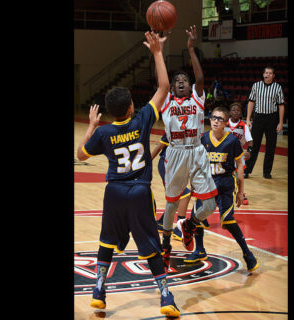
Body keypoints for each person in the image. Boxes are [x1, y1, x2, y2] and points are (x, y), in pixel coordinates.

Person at [76, 31, 180, 318]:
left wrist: (91, 128)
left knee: (106, 240)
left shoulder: (105, 132)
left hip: (114, 193)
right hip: (138, 192)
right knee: (150, 245)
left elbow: (80, 155)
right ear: (131, 107)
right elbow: (164, 86)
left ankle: (98, 290)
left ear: (108, 113)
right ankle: (165, 295)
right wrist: (158, 52)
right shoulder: (143, 120)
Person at [159, 25, 218, 272]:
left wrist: (191, 49)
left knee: (210, 205)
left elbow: (201, 79)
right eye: (177, 81)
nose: (182, 82)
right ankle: (165, 246)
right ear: (172, 88)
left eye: (185, 80)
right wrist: (158, 52)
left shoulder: (197, 98)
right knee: (172, 204)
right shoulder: (166, 101)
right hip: (175, 153)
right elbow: (161, 81)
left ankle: (190, 224)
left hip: (196, 151)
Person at [182, 107, 259, 273]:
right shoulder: (202, 138)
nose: (216, 120)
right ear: (210, 120)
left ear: (225, 123)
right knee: (198, 215)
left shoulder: (231, 141)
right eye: (214, 117)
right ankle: (200, 250)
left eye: (220, 119)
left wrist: (240, 191)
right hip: (207, 183)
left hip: (225, 183)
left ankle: (247, 253)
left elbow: (239, 165)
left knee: (228, 220)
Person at [244, 66, 285, 179]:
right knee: (253, 145)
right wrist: (248, 119)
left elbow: (281, 106)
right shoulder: (256, 85)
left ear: (273, 76)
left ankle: (267, 172)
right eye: (266, 73)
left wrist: (281, 122)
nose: (267, 74)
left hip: (272, 119)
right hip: (258, 118)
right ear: (263, 74)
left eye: (270, 73)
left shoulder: (277, 87)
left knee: (270, 147)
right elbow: (251, 102)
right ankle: (246, 170)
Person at [151, 132, 191, 242]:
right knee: (185, 194)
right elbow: (159, 146)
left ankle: (162, 222)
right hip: (166, 165)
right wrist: (147, 163)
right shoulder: (173, 128)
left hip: (178, 167)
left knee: (176, 197)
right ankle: (179, 229)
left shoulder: (193, 132)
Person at [225, 102, 253, 205]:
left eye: (238, 110)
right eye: (233, 110)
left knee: (239, 175)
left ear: (241, 113)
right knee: (224, 174)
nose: (236, 112)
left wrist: (249, 151)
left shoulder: (243, 126)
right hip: (225, 154)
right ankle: (220, 194)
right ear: (229, 112)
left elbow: (250, 141)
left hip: (238, 154)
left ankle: (241, 193)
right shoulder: (224, 123)